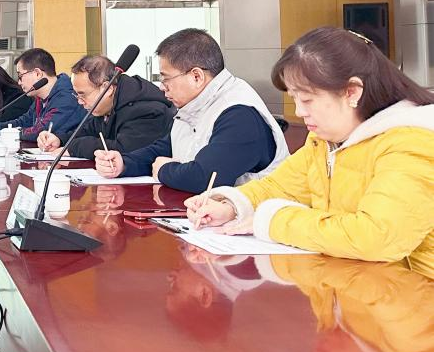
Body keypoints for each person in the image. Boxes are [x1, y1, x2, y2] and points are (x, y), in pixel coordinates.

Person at [186, 27, 434, 278]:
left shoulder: (413, 143)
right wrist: (230, 206)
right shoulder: (324, 141)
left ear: (352, 92)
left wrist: (272, 222)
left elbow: (376, 237)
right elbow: (281, 187)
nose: (299, 111)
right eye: (294, 98)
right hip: (357, 285)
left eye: (307, 100)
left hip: (416, 292)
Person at [95, 29, 288, 193]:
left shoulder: (239, 113)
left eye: (166, 79)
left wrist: (164, 170)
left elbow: (205, 178)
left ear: (196, 76)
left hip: (254, 221)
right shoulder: (195, 104)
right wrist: (124, 163)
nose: (162, 87)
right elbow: (166, 148)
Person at [38, 54, 174, 159]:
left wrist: (74, 147)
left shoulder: (145, 109)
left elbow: (124, 149)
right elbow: (87, 131)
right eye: (76, 95)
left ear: (107, 89)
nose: (79, 101)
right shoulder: (108, 104)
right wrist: (59, 139)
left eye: (83, 95)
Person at [7, 48, 85, 144]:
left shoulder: (67, 97)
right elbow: (23, 122)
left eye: (20, 76)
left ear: (37, 73)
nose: (19, 82)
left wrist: (11, 133)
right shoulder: (40, 97)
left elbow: (42, 131)